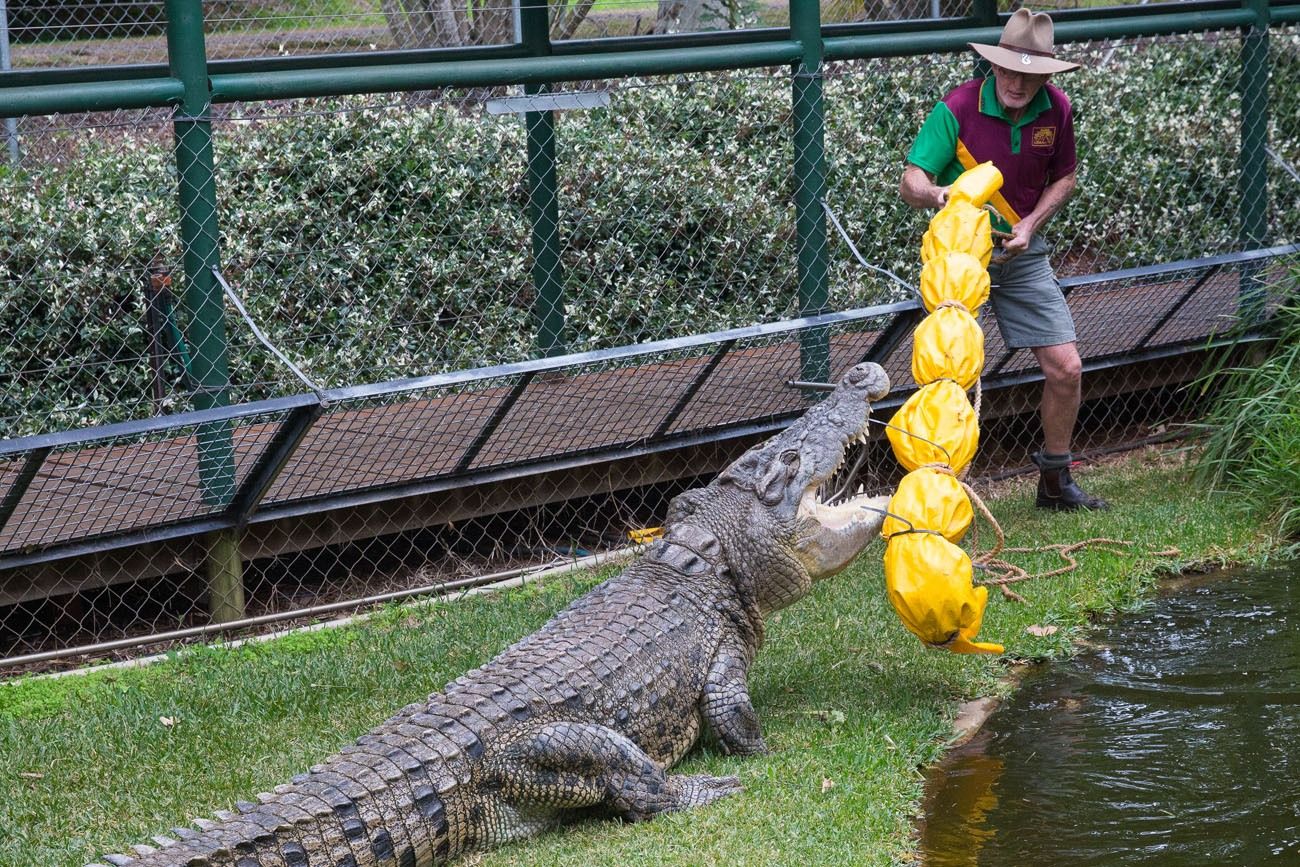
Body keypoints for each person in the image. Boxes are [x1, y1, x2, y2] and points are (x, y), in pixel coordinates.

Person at [899, 7, 1107, 511]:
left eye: (1028, 74)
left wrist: (1031, 225)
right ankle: (939, 497)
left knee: (1066, 368)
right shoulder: (958, 107)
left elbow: (1065, 177)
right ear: (993, 67)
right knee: (950, 380)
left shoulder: (1056, 108)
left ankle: (1055, 483)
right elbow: (911, 181)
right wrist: (939, 195)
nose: (1016, 82)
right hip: (958, 257)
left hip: (1023, 252)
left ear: (1045, 75)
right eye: (1008, 70)